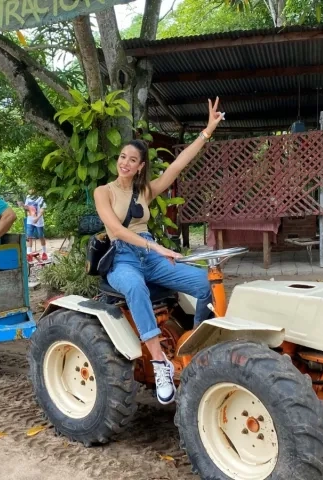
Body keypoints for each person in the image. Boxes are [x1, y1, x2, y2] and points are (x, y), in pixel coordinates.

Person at [94, 97, 224, 405]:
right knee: (135, 286)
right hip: (123, 258)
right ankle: (159, 363)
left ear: (140, 166)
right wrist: (157, 246)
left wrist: (207, 131)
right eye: (122, 156)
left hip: (150, 258)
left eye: (132, 160)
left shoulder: (145, 191)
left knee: (206, 284)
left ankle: (195, 350)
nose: (124, 162)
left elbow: (178, 165)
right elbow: (117, 230)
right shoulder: (104, 192)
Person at [23, 189, 48, 260]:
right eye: (29, 189)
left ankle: (44, 252)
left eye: (31, 188)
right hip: (30, 220)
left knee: (41, 236)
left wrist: (37, 218)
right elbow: (27, 208)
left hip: (39, 221)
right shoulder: (28, 197)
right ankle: (29, 254)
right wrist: (22, 205)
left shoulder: (40, 198)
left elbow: (43, 209)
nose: (30, 190)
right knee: (29, 237)